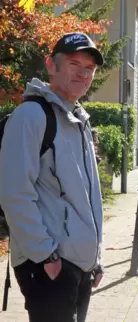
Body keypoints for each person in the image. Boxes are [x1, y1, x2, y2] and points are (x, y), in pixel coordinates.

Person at [0, 32, 104, 322]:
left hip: (78, 264)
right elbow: (14, 192)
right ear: (51, 65)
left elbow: (87, 197)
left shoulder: (78, 120)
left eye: (89, 69)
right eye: (74, 64)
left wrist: (96, 258)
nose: (83, 74)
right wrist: (44, 255)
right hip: (50, 264)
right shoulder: (31, 116)